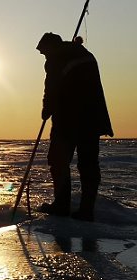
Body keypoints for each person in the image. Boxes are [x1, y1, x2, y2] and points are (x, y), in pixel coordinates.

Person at [36, 32, 113, 221]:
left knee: (58, 161)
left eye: (44, 52)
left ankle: (62, 206)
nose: (44, 56)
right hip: (93, 118)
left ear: (51, 48)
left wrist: (46, 109)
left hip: (69, 120)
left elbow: (52, 88)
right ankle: (87, 210)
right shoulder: (84, 54)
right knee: (88, 165)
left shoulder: (57, 59)